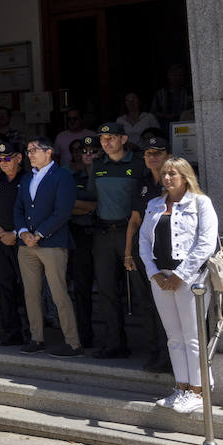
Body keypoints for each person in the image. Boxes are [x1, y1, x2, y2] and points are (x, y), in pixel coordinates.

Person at [138, 157, 218, 413]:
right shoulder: (154, 204)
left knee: (193, 337)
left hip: (190, 278)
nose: (167, 178)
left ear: (186, 176)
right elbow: (143, 242)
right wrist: (153, 273)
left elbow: (206, 243)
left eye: (173, 173)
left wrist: (180, 275)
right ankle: (181, 387)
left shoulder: (200, 202)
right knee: (173, 337)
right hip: (160, 277)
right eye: (164, 174)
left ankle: (198, 391)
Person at [13, 137, 84, 357]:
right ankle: (37, 338)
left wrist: (39, 233)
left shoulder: (62, 176)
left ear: (49, 152)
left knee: (58, 293)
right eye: (28, 150)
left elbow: (62, 211)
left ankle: (72, 343)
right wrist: (23, 232)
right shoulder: (26, 178)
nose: (30, 154)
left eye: (34, 150)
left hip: (52, 243)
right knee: (31, 293)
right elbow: (18, 208)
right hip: (26, 244)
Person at [84, 121, 146, 359]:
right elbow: (92, 197)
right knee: (107, 291)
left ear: (123, 139)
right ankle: (115, 344)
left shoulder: (139, 164)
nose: (106, 142)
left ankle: (156, 346)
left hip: (131, 234)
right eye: (102, 139)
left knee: (141, 291)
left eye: (111, 138)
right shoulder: (98, 165)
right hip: (103, 235)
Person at [124, 133, 173, 373]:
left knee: (169, 306)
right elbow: (134, 220)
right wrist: (127, 253)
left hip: (170, 254)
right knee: (147, 304)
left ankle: (170, 356)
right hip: (144, 253)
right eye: (148, 153)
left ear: (168, 156)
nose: (152, 157)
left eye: (158, 153)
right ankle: (155, 352)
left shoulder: (177, 182)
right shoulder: (141, 183)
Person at [0, 141, 29, 345]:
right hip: (1, 242)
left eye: (7, 158)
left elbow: (34, 210)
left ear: (19, 158)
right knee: (4, 285)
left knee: (28, 287)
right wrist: (2, 233)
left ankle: (32, 332)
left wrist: (16, 234)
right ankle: (11, 331)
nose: (3, 162)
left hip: (25, 241)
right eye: (0, 159)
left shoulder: (28, 178)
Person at [67, 136, 99, 350]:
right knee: (81, 288)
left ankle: (113, 337)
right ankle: (85, 334)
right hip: (78, 235)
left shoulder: (105, 174)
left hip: (102, 234)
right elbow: (66, 205)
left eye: (92, 150)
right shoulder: (71, 176)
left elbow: (101, 203)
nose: (87, 154)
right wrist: (89, 206)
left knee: (108, 289)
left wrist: (85, 205)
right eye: (83, 150)